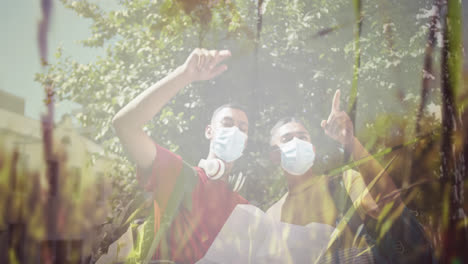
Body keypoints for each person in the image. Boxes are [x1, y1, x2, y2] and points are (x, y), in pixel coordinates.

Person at [112, 48, 249, 263]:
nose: (235, 131)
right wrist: (184, 75)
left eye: (243, 127)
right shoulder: (176, 174)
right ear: (209, 131)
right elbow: (125, 125)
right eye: (227, 123)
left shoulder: (245, 209)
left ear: (246, 142)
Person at [267, 90, 434, 263]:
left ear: (313, 150)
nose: (297, 143)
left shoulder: (344, 182)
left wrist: (350, 142)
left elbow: (386, 205)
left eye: (302, 137)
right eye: (287, 139)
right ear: (274, 156)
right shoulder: (271, 217)